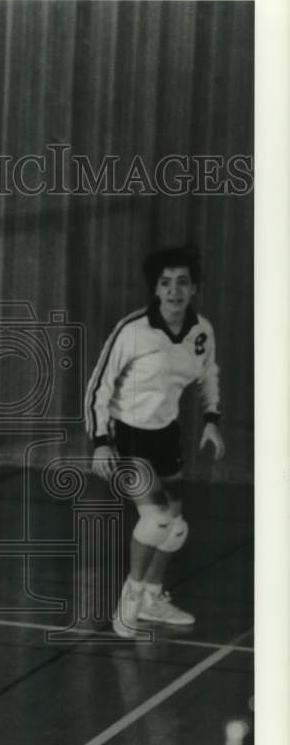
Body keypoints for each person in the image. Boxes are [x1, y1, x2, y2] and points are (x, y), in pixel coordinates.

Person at [85, 244, 225, 637]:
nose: (175, 290)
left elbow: (208, 374)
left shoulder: (201, 330)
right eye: (166, 283)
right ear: (156, 289)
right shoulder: (133, 331)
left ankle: (151, 599)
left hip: (167, 434)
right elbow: (98, 386)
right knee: (156, 519)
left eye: (183, 282)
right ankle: (128, 598)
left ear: (194, 288)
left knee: (176, 527)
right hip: (127, 434)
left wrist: (212, 419)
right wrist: (99, 440)